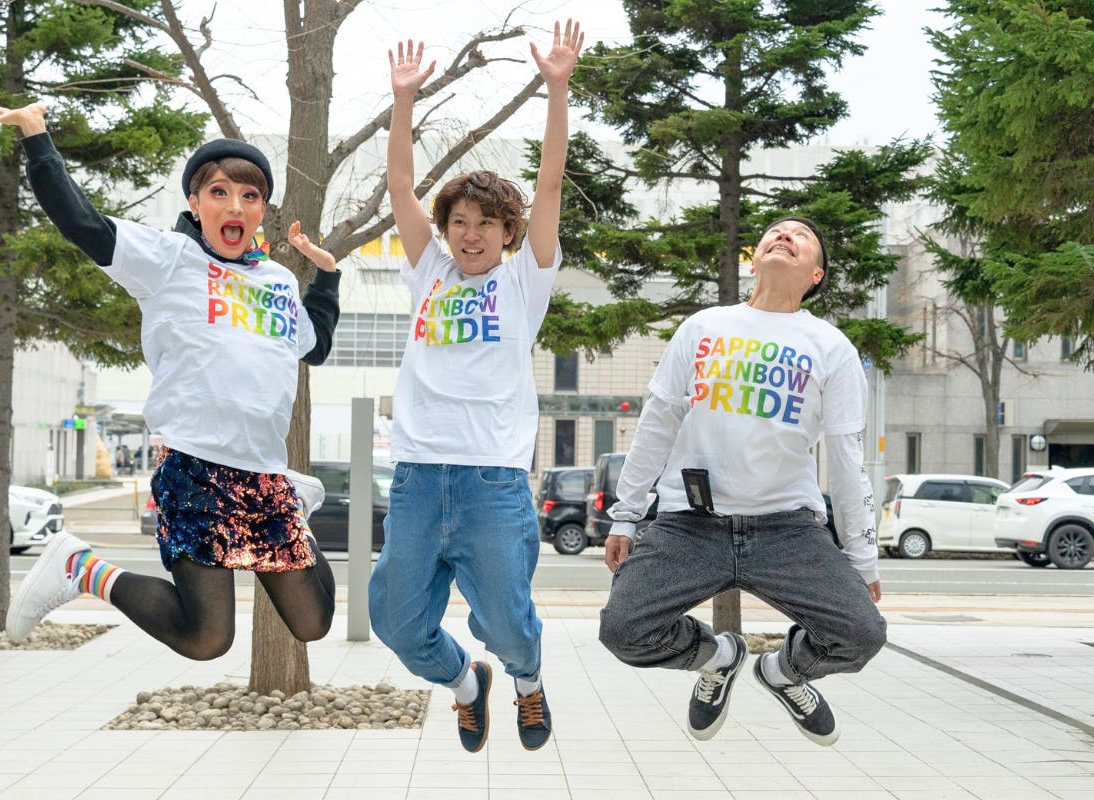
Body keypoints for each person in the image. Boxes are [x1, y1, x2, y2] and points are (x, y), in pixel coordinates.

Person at [0, 101, 341, 657]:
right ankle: (80, 567)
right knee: (207, 638)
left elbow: (313, 346)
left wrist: (327, 277)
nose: (235, 206)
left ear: (261, 211)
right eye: (219, 192)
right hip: (196, 467)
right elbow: (82, 223)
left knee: (313, 621)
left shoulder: (276, 280)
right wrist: (37, 137)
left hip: (265, 472)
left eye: (250, 196)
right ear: (195, 203)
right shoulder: (169, 259)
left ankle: (295, 501)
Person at [367, 21, 583, 754]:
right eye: (459, 221)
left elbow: (549, 182)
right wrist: (404, 102)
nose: (470, 234)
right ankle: (466, 683)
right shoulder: (428, 270)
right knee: (397, 623)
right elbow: (400, 184)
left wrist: (557, 89)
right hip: (418, 476)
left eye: (487, 223)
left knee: (508, 623)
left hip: (492, 478)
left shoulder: (525, 281)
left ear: (508, 234)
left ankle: (527, 679)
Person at [597, 217, 886, 747]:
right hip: (691, 524)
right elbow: (658, 423)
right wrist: (626, 514)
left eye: (801, 237)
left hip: (786, 528)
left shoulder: (831, 347)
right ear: (754, 259)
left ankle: (783, 672)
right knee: (622, 630)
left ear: (816, 275)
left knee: (862, 634)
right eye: (776, 231)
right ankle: (720, 657)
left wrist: (862, 558)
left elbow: (848, 459)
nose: (785, 236)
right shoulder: (704, 327)